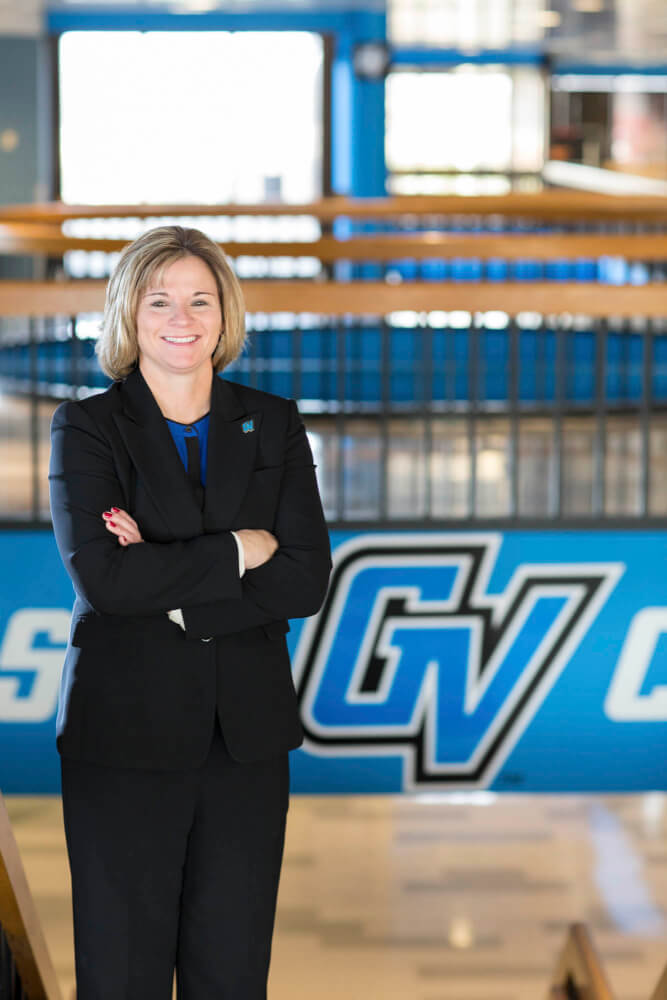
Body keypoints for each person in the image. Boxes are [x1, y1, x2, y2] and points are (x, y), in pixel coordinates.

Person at [48, 225, 332, 999]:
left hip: (244, 742)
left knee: (231, 973)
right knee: (123, 974)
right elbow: (107, 582)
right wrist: (242, 547)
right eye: (160, 299)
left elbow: (304, 582)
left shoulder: (271, 422)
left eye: (200, 298)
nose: (183, 317)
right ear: (128, 314)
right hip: (124, 738)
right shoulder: (87, 427)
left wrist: (167, 584)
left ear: (224, 311)